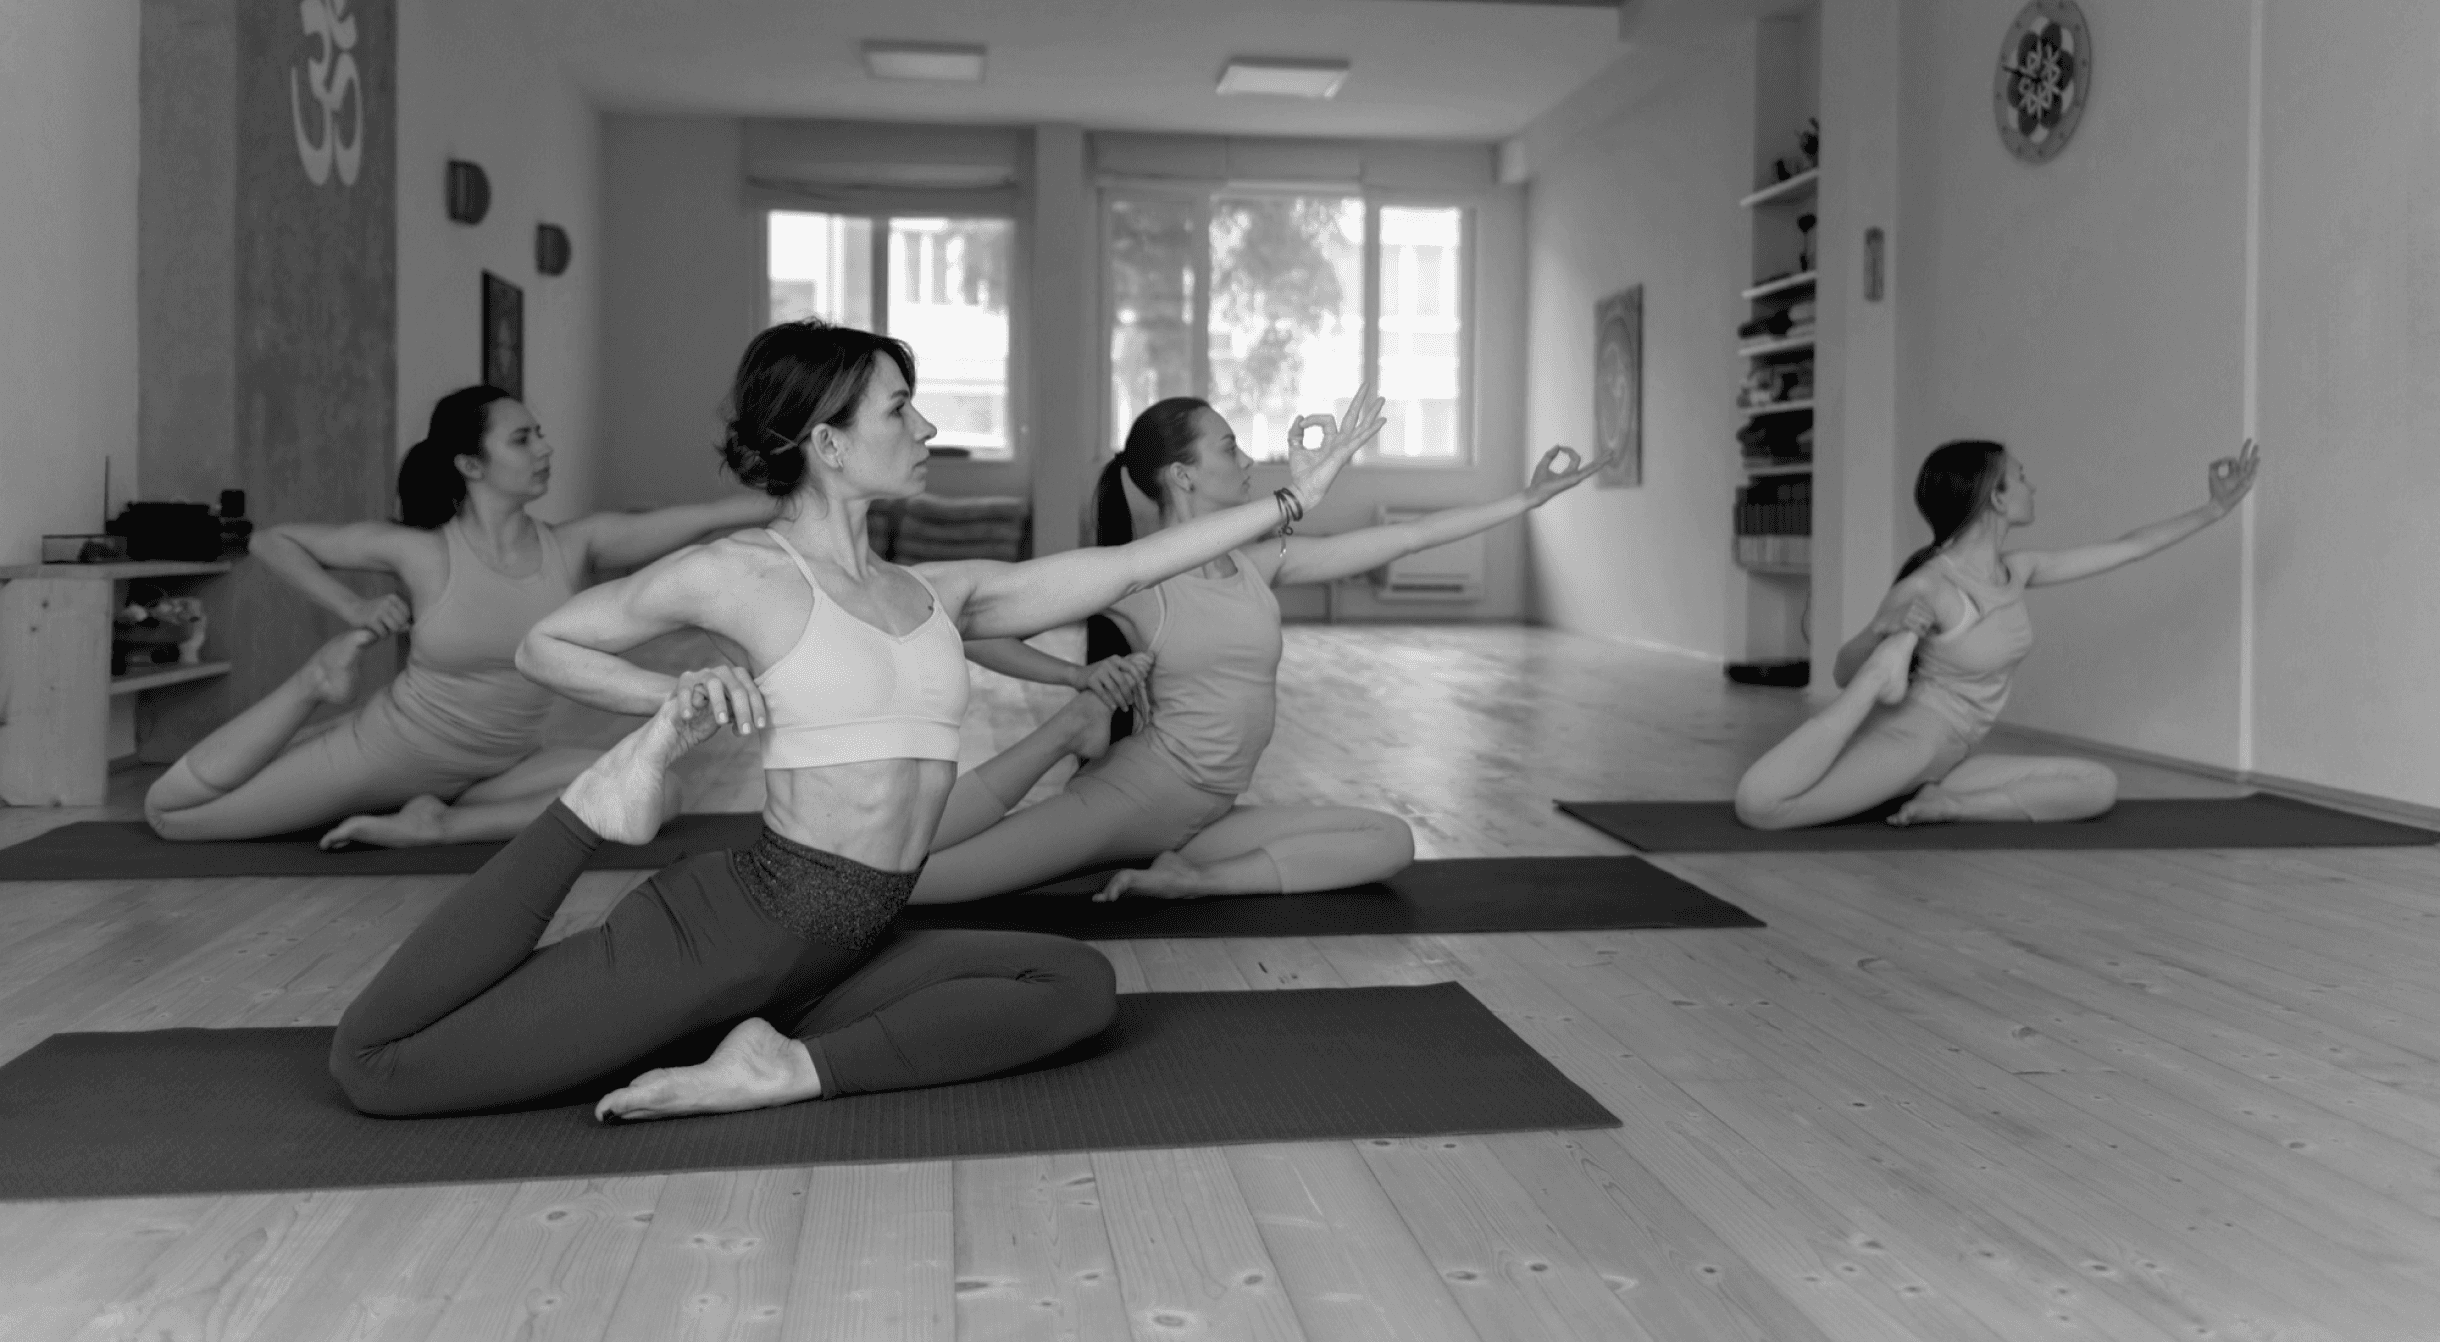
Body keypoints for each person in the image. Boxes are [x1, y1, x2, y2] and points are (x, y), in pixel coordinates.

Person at [327, 322, 1386, 1119]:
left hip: (848, 942)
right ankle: (587, 811)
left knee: (1074, 983)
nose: (926, 428)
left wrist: (1293, 500)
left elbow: (1125, 565)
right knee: (380, 1068)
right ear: (828, 443)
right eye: (899, 410)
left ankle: (787, 1065)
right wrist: (669, 702)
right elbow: (547, 643)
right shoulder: (743, 573)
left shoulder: (937, 593)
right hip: (729, 933)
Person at [903, 396, 1612, 908]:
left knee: (1388, 839)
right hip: (1129, 801)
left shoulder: (1257, 563)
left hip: (1205, 816)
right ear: (1182, 475)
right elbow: (975, 628)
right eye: (1228, 447)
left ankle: (1192, 881)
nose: (1247, 461)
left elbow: (1408, 538)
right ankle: (1060, 742)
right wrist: (1075, 677)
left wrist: (1526, 500)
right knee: (918, 885)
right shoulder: (1137, 578)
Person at [143, 386, 778, 845]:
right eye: (523, 438)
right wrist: (353, 606)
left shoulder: (574, 546)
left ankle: (443, 826)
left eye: (539, 433)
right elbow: (272, 541)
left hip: (501, 769)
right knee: (173, 816)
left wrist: (802, 488)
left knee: (662, 792)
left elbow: (709, 517)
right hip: (390, 752)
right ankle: (313, 684)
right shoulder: (422, 551)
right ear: (471, 465)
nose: (544, 447)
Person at [1732, 438, 2260, 830]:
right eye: (2021, 477)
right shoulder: (1931, 585)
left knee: (2096, 786)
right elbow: (1841, 671)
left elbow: (2128, 547)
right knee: (1762, 807)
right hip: (1910, 741)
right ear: (1997, 500)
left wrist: (2214, 509)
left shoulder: (2017, 569)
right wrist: (1877, 634)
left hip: (1954, 758)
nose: (2033, 486)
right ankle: (1885, 682)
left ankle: (1950, 806)